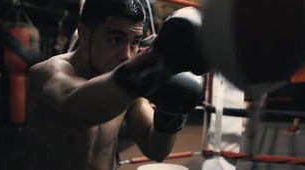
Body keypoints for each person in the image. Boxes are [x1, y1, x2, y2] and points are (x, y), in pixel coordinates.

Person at [28, 0, 206, 170]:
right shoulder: (47, 73)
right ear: (84, 35)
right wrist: (155, 62)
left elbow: (156, 150)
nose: (127, 56)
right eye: (115, 40)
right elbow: (74, 106)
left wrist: (170, 115)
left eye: (135, 42)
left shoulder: (125, 86)